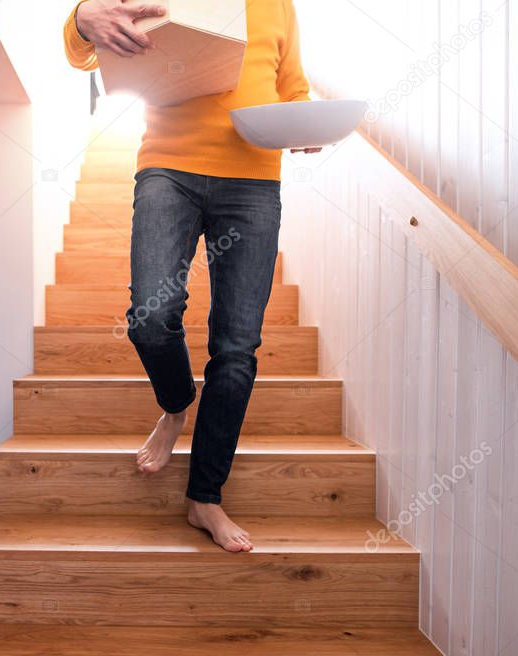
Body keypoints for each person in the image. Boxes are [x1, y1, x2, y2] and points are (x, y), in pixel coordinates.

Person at [64, 0, 319, 552]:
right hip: (168, 167)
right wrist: (83, 15)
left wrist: (306, 122)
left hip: (253, 183)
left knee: (236, 350)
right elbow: (83, 50)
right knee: (151, 318)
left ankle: (205, 497)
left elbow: (293, 88)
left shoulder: (278, 6)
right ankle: (177, 405)